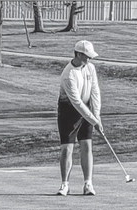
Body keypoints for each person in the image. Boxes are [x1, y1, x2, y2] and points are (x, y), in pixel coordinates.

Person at [56, 40, 103, 196]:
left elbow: (95, 92)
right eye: (86, 56)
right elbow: (76, 102)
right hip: (69, 110)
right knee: (67, 149)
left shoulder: (90, 68)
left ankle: (88, 184)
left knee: (87, 146)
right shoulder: (68, 74)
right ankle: (65, 184)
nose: (89, 59)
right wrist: (93, 121)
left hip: (87, 108)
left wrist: (97, 116)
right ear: (78, 54)